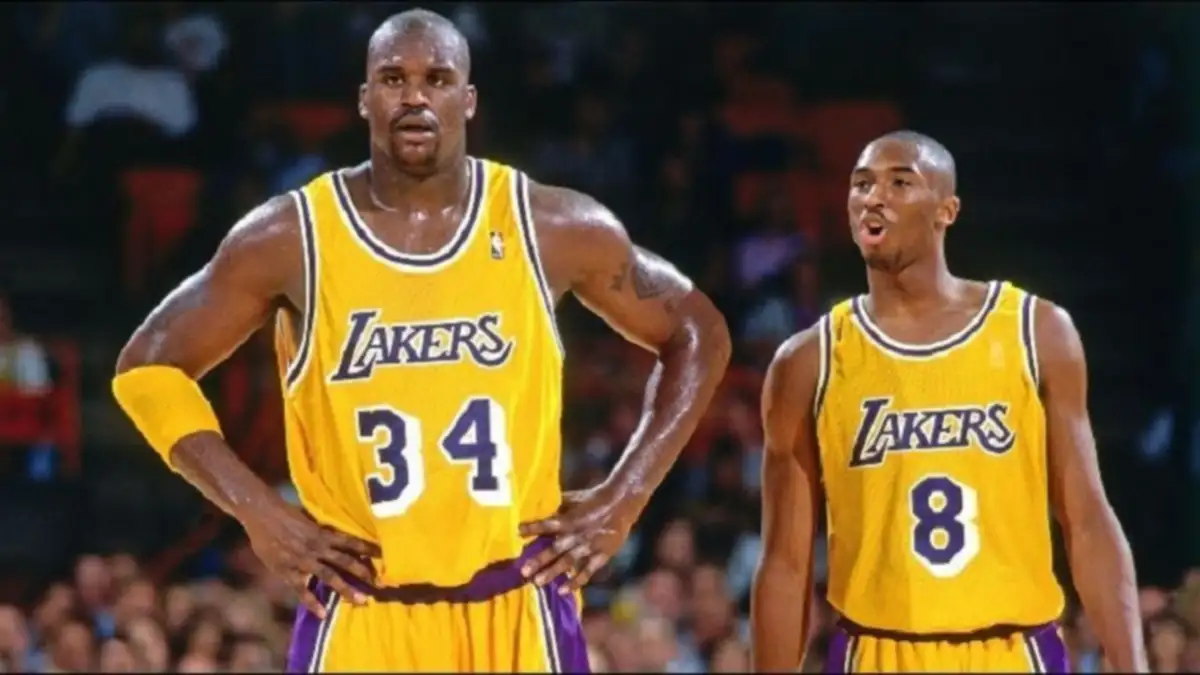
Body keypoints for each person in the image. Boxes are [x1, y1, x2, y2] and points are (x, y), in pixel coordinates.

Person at [112, 9, 730, 673]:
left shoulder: (549, 225)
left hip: (516, 606)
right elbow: (148, 369)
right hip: (363, 609)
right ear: (364, 98)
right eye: (392, 78)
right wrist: (259, 511)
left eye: (437, 78)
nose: (414, 96)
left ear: (468, 98)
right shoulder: (291, 238)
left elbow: (698, 331)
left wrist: (626, 496)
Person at [750, 131, 1147, 673]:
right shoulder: (809, 361)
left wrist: (1131, 663)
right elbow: (785, 564)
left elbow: (1088, 521)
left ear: (947, 210)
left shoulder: (1036, 332)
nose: (874, 197)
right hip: (875, 651)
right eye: (862, 184)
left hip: (1013, 650)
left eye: (900, 182)